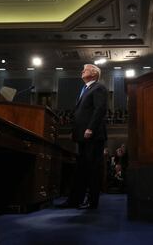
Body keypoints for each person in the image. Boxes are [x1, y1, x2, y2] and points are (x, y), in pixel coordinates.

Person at [57, 64, 108, 209]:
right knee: (81, 170)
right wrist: (74, 131)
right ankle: (74, 201)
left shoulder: (99, 88)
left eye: (85, 70)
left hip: (93, 136)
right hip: (83, 136)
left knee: (92, 169)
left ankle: (92, 202)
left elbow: (100, 109)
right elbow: (82, 113)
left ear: (94, 74)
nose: (82, 71)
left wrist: (90, 128)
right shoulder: (85, 89)